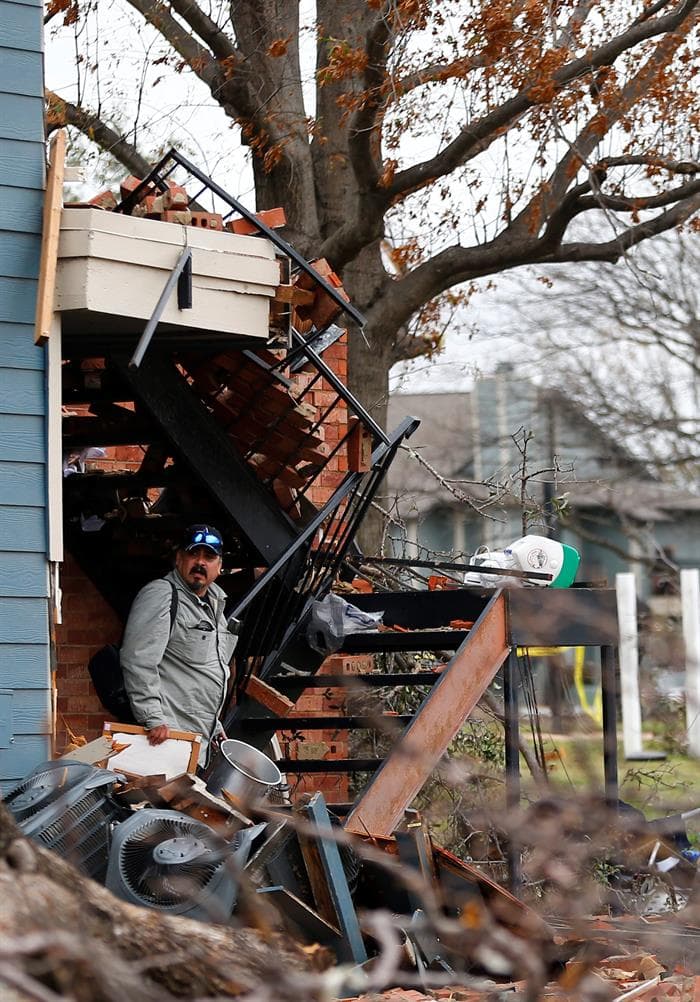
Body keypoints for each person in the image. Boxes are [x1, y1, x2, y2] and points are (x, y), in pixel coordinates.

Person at [120, 524, 238, 767]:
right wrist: (152, 717)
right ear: (179, 558)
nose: (200, 563)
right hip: (167, 737)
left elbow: (204, 671)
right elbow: (138, 660)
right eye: (194, 554)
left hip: (196, 740)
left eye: (209, 556)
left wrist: (214, 725)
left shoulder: (215, 605)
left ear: (219, 565)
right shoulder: (162, 595)